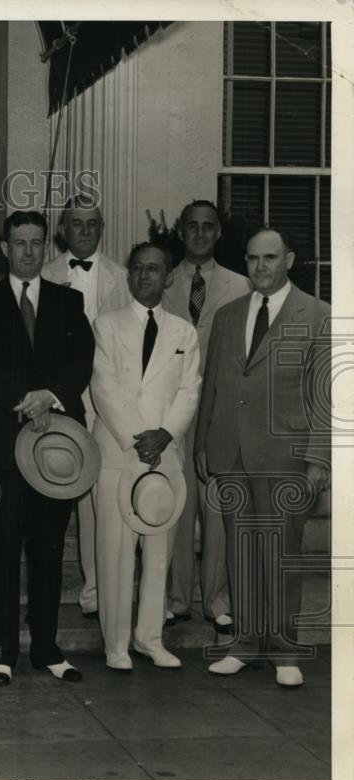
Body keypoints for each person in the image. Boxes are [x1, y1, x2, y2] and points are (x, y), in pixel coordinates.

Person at [196, 227, 330, 689]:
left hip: (285, 455)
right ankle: (245, 644)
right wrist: (202, 444)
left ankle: (285, 650)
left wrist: (318, 462)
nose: (260, 266)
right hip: (230, 451)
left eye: (270, 257)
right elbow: (213, 382)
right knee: (241, 551)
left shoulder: (317, 314)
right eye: (253, 258)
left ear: (289, 259)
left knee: (281, 555)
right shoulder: (229, 314)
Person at [0, 210, 94, 685]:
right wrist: (27, 401)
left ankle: (47, 648)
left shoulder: (69, 300)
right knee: (0, 551)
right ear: (4, 248)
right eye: (19, 243)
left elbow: (82, 361)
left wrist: (51, 398)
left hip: (57, 446)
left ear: (46, 247)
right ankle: (1, 653)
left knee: (48, 550)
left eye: (37, 243)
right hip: (1, 445)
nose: (28, 251)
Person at [90, 242, 201, 670]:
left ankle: (150, 638)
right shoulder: (105, 325)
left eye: (153, 269)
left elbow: (189, 390)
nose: (144, 276)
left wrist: (166, 434)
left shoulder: (183, 332)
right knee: (115, 553)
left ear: (168, 275)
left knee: (159, 551)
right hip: (121, 452)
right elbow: (104, 387)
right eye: (137, 268)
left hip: (164, 457)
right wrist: (140, 438)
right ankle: (116, 644)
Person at [163, 200, 251, 634]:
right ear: (180, 232)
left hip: (219, 410)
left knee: (216, 508)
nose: (199, 234)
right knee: (177, 505)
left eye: (207, 227)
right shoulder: (160, 282)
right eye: (191, 226)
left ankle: (217, 600)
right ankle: (177, 598)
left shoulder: (240, 285)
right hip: (172, 409)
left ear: (218, 233)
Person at [42, 196, 130, 618]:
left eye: (92, 223)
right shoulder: (44, 275)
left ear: (102, 227)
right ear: (63, 229)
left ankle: (98, 587)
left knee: (102, 497)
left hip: (109, 400)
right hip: (63, 397)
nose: (85, 231)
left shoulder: (124, 278)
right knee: (63, 491)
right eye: (76, 224)